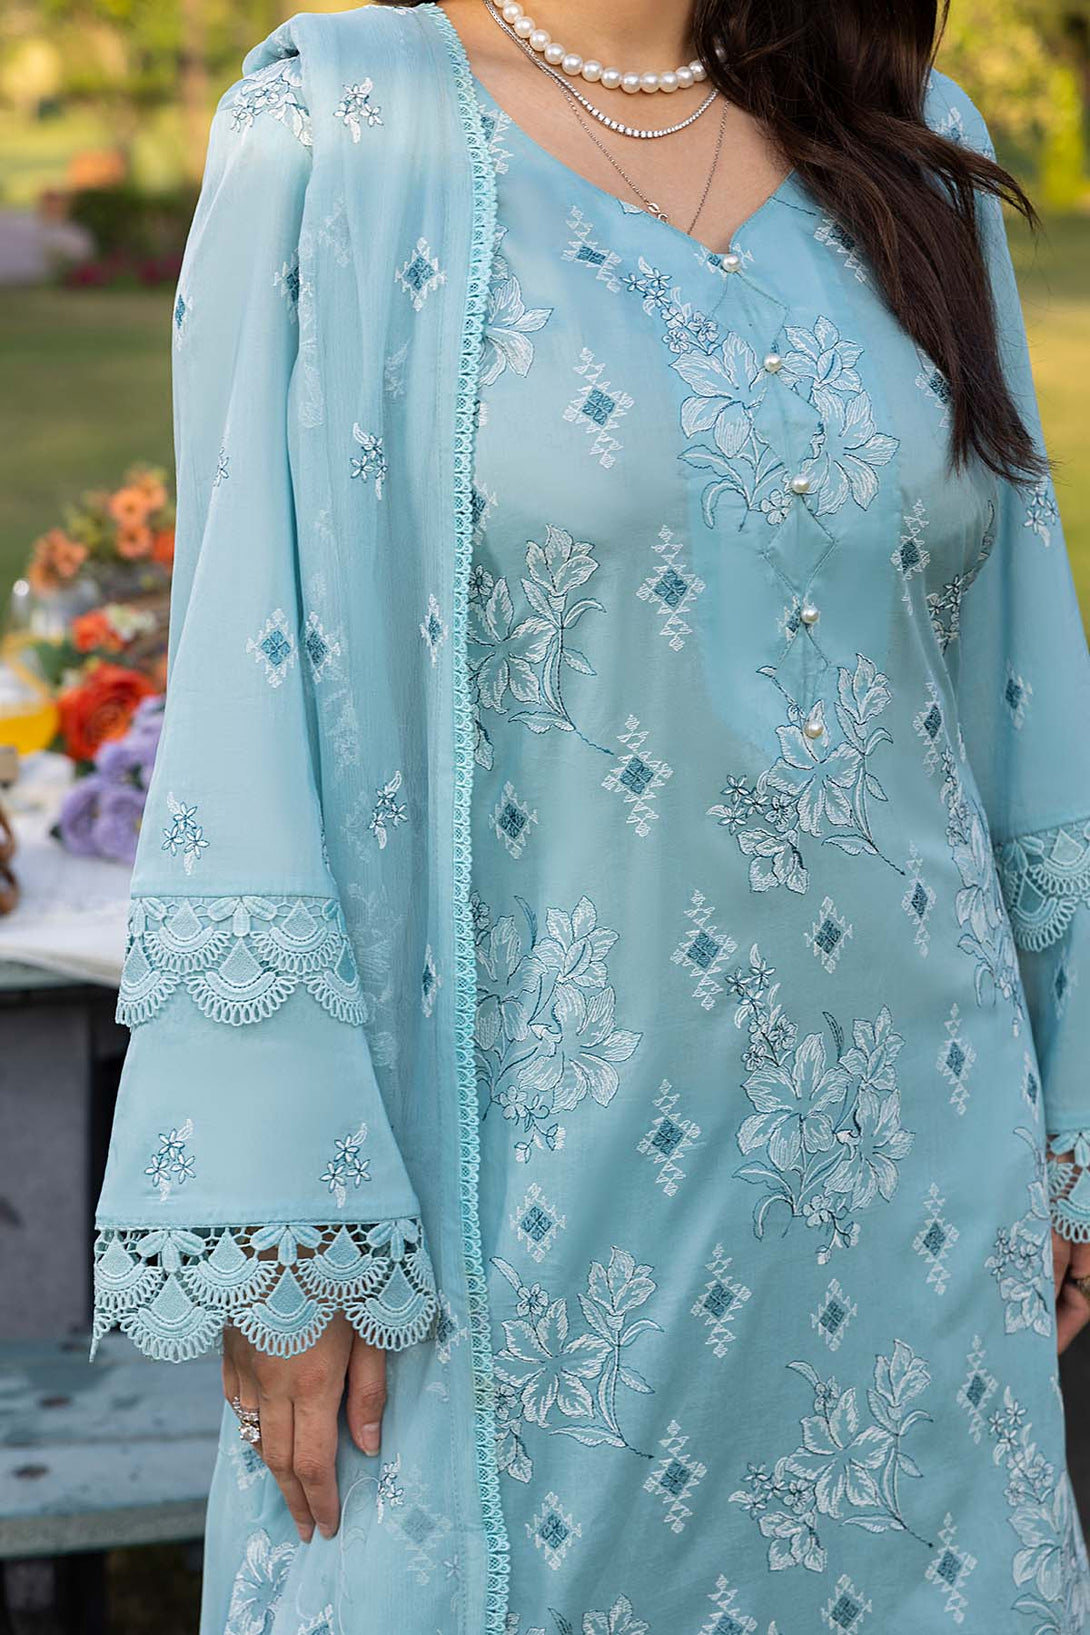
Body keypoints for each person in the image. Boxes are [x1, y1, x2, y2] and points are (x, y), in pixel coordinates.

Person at [92, 1, 1090, 1629]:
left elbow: (1014, 679)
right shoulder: (341, 132)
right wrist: (285, 1213)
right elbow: (243, 681)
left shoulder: (906, 133)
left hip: (919, 1195)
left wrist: (1068, 1115)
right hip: (520, 1214)